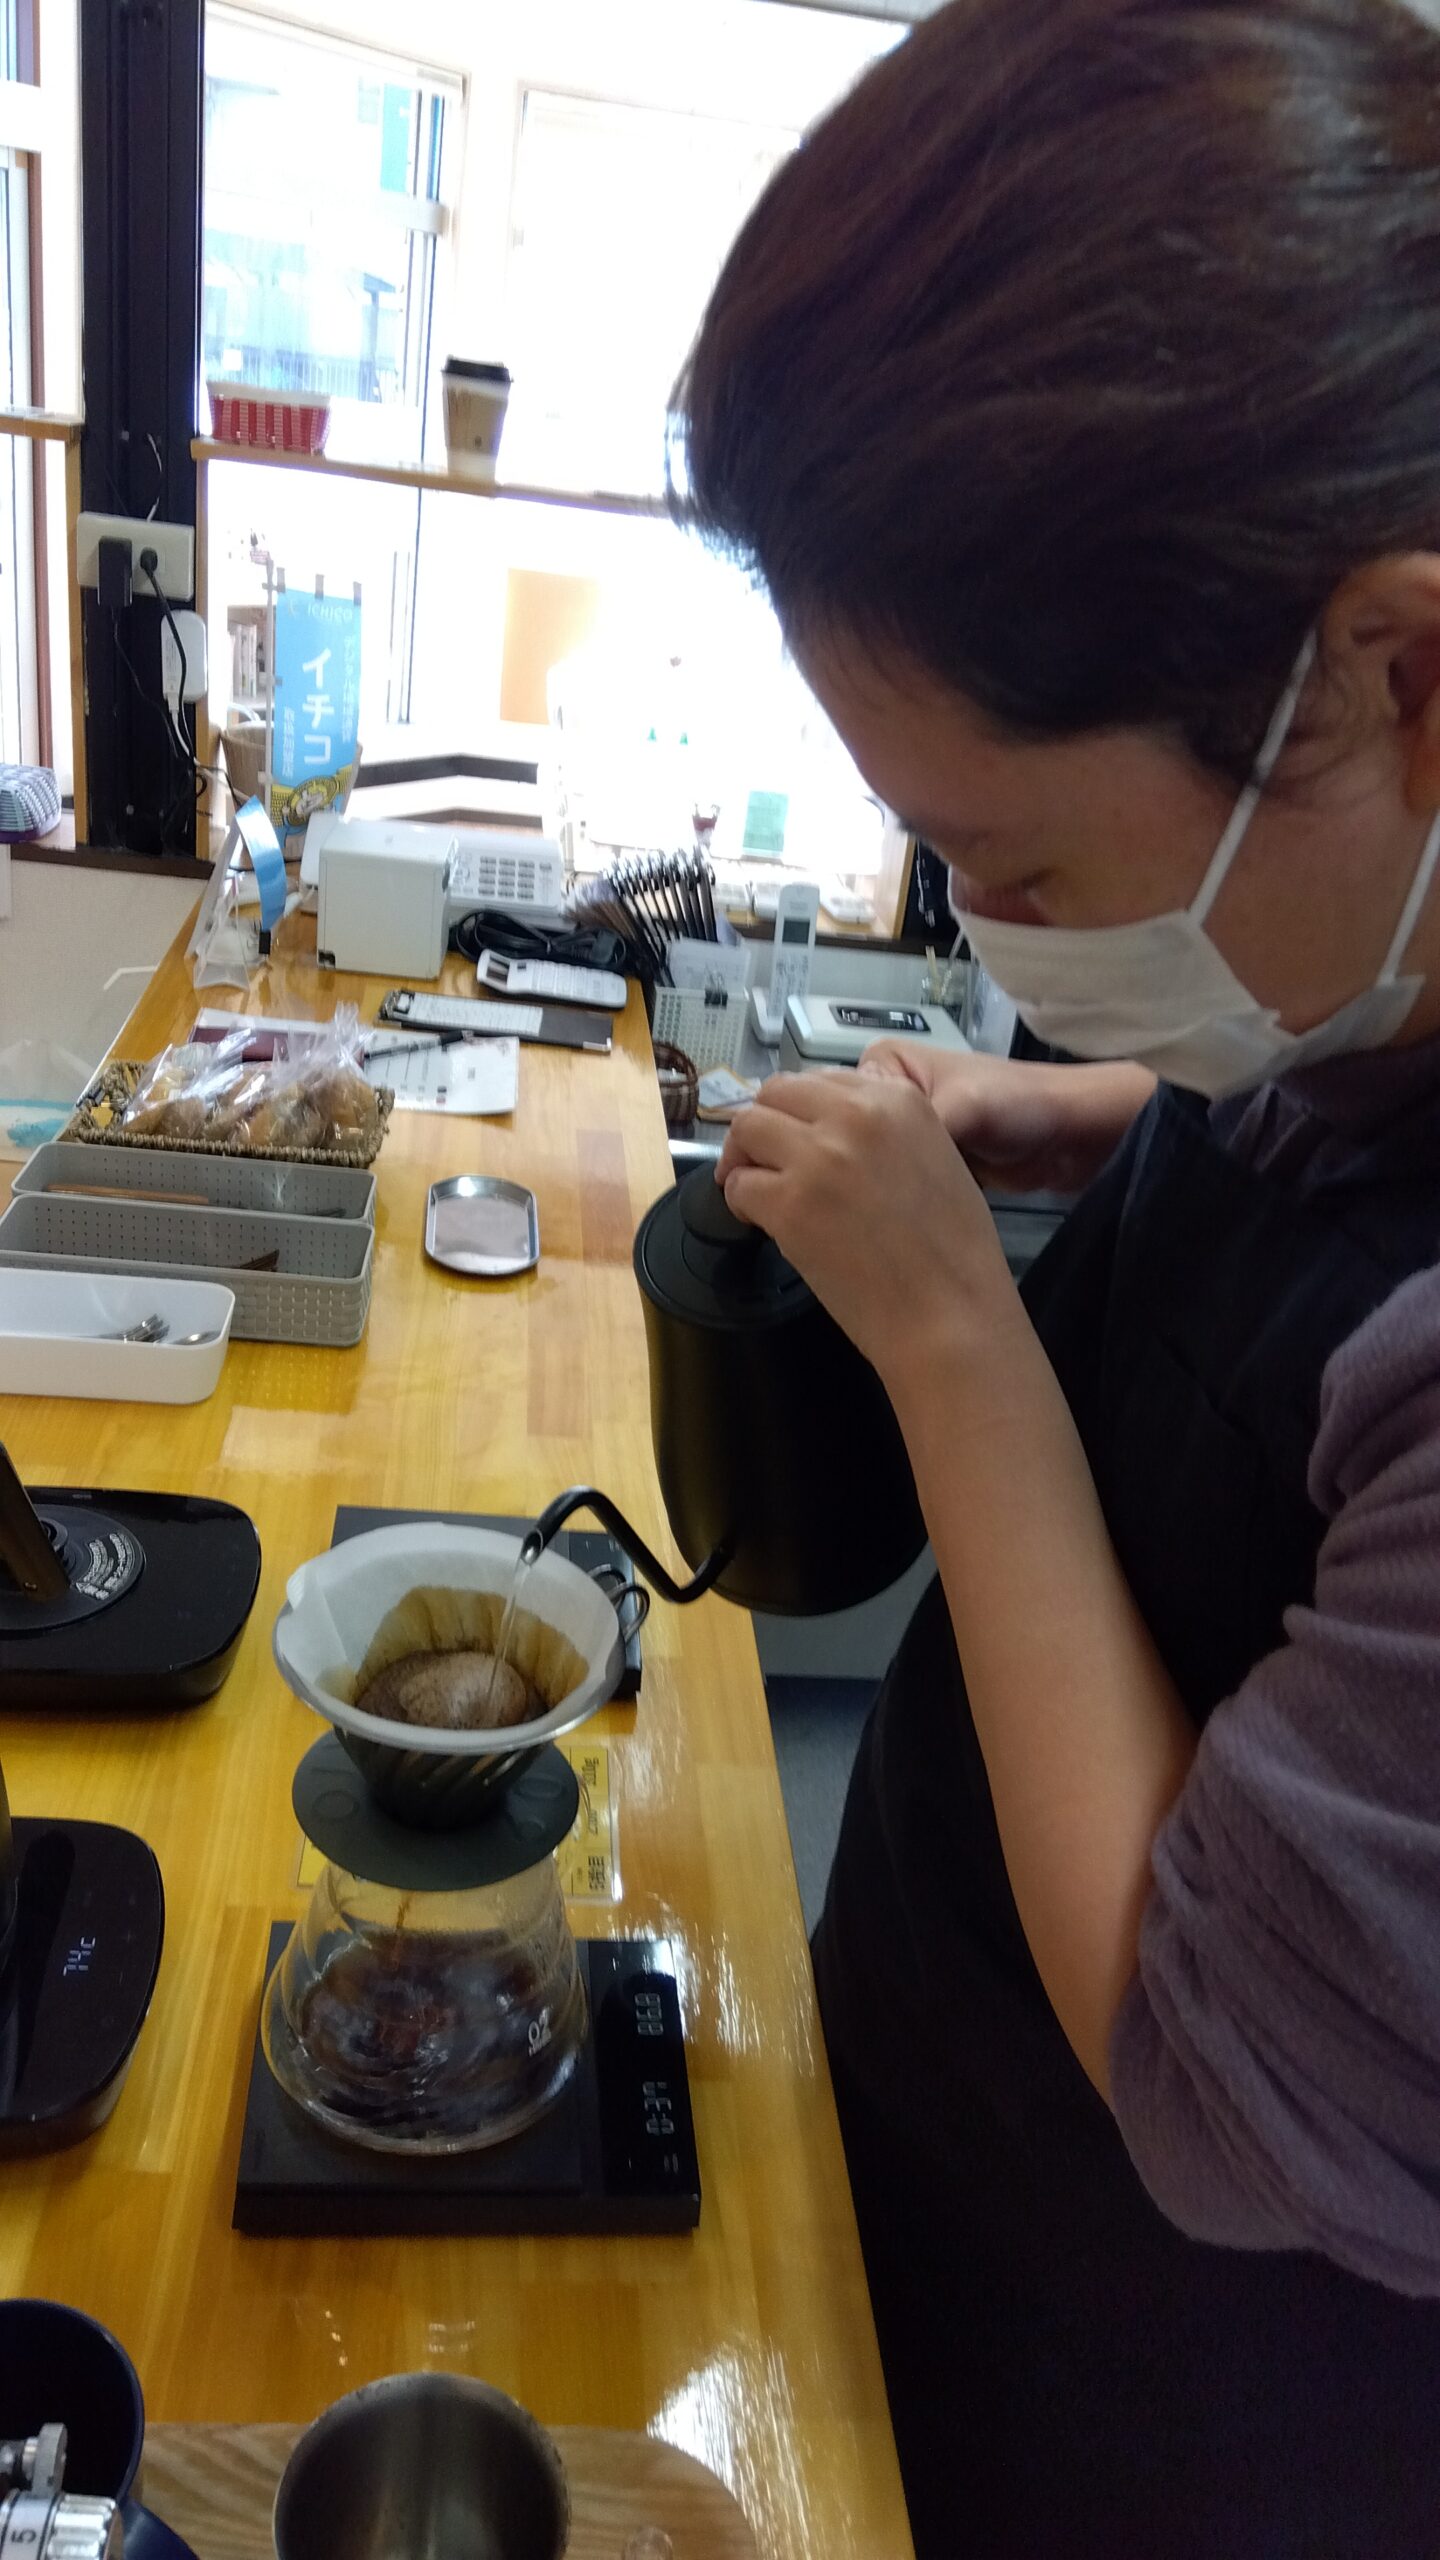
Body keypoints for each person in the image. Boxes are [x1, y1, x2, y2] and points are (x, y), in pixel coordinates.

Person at [670, 0, 1440, 2551]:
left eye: (1017, 869)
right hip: (920, 2158)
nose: (991, 935)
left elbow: (1213, 2060)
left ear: (1400, 679)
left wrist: (951, 1336)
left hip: (1162, 2410)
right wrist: (1109, 1098)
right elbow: (1356, 1119)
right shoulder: (1359, 949)